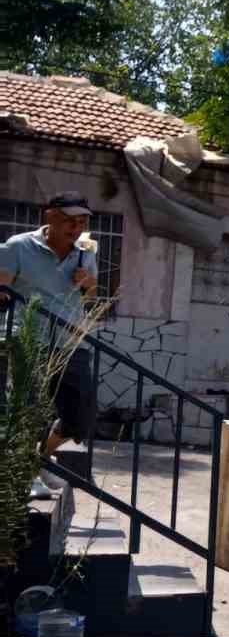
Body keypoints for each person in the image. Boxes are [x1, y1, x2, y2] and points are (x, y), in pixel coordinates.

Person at [0, 190, 99, 459]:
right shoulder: (18, 246)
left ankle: (39, 458)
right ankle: (25, 472)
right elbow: (2, 286)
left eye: (82, 223)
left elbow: (91, 296)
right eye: (70, 221)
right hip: (28, 336)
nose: (76, 228)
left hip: (69, 340)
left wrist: (88, 285)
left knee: (82, 414)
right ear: (51, 216)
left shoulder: (85, 253)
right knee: (27, 407)